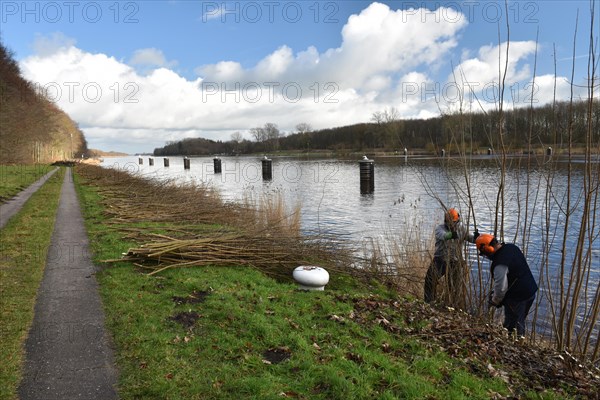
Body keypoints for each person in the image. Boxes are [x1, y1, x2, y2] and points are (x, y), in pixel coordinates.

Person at [475, 233, 538, 336]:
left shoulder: (499, 264)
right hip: (530, 291)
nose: (486, 256)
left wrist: (495, 301)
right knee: (520, 320)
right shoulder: (511, 247)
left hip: (517, 297)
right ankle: (517, 341)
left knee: (513, 325)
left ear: (488, 250)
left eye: (484, 253)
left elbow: (501, 289)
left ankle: (514, 345)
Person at [424, 208, 478, 303]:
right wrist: (453, 234)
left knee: (454, 287)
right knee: (429, 281)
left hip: (455, 262)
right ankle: (429, 303)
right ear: (445, 220)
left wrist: (477, 238)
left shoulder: (462, 229)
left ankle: (452, 306)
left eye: (453, 222)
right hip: (440, 260)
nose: (451, 224)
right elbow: (444, 236)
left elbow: (470, 239)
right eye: (449, 222)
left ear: (458, 220)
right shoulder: (439, 229)